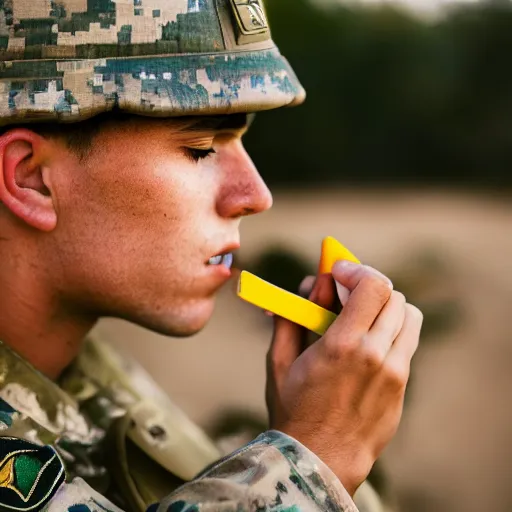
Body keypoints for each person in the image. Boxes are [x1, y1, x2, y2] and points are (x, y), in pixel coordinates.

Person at [0, 0, 423, 511]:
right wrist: (314, 458)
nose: (255, 194)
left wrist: (324, 436)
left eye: (239, 140)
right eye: (201, 146)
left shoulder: (97, 378)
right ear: (31, 179)